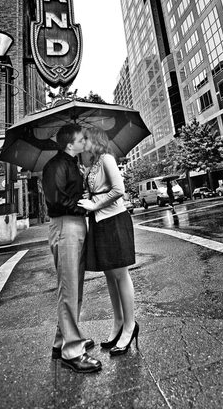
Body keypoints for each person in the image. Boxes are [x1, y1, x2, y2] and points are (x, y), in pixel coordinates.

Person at [42, 123, 102, 374]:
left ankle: (62, 340)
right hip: (66, 226)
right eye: (81, 139)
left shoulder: (72, 164)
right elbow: (56, 200)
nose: (84, 142)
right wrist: (84, 206)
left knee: (74, 287)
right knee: (69, 289)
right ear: (69, 143)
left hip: (75, 225)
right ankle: (72, 351)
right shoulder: (56, 165)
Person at [78, 126, 138, 356]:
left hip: (114, 221)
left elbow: (119, 190)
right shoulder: (92, 165)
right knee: (110, 276)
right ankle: (118, 323)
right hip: (99, 223)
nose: (83, 142)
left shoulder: (106, 158)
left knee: (121, 275)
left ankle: (130, 326)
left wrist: (94, 204)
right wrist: (89, 199)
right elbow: (100, 191)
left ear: (95, 139)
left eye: (86, 139)